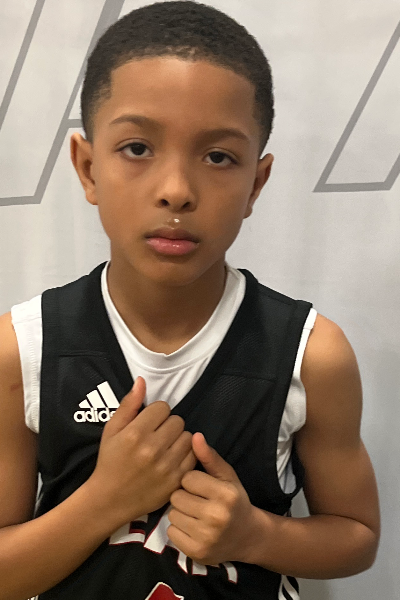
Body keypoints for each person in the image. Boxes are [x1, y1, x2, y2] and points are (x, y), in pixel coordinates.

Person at [0, 2, 380, 599]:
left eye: (218, 157)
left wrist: (255, 535)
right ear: (88, 167)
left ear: (256, 183)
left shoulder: (313, 355)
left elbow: (357, 536)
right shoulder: (22, 350)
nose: (176, 190)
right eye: (137, 148)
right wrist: (105, 501)